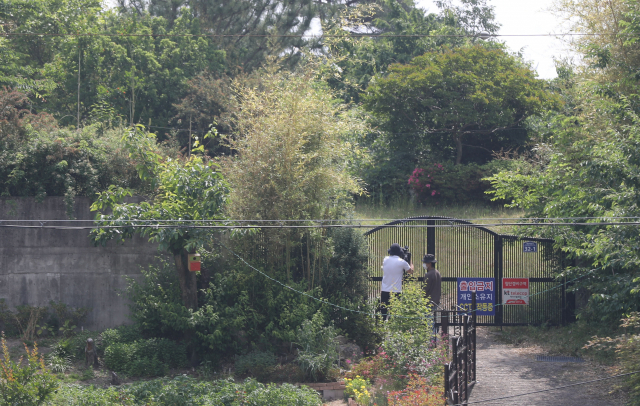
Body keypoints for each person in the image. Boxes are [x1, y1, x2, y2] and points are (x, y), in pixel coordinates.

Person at [380, 243, 414, 320]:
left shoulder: (385, 260)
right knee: (394, 314)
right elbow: (410, 271)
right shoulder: (402, 262)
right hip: (396, 291)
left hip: (385, 290)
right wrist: (410, 261)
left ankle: (382, 328)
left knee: (383, 313)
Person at [422, 254, 442, 334]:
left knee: (429, 323)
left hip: (429, 303)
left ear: (429, 263)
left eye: (425, 263)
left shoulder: (428, 275)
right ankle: (435, 339)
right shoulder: (437, 273)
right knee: (435, 323)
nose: (424, 265)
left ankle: (431, 341)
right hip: (436, 302)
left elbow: (424, 290)